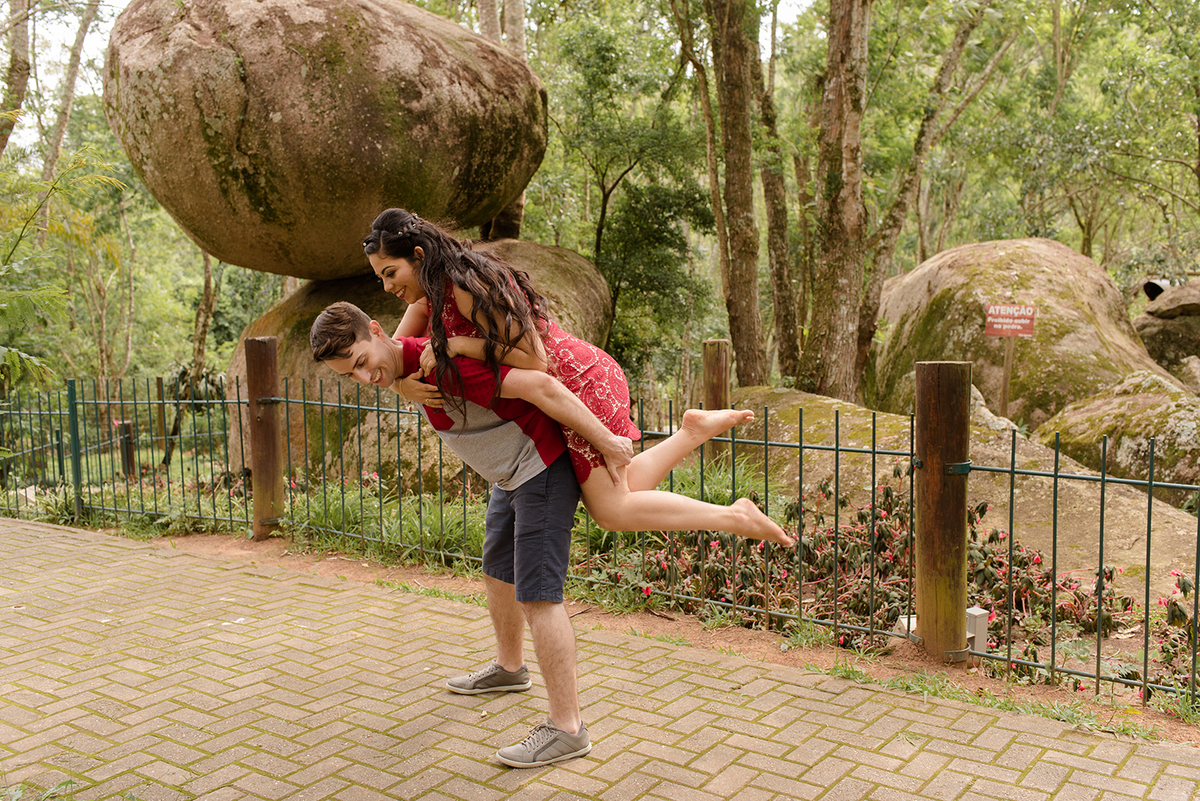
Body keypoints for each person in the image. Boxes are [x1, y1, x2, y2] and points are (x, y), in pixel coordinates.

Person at [363, 207, 791, 545]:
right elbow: (396, 358)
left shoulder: (465, 285)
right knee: (617, 488)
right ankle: (692, 432)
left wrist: (455, 346)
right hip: (559, 390)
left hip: (578, 380)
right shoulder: (428, 294)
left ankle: (735, 517)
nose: (387, 287)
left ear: (417, 256)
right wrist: (400, 381)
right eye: (380, 277)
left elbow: (535, 361)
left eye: (390, 273)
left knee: (611, 510)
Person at [312, 301, 603, 768]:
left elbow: (538, 383)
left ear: (376, 330)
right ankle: (510, 669)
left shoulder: (441, 361)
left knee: (539, 597)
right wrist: (401, 382)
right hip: (509, 476)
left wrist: (608, 443)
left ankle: (568, 728)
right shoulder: (405, 365)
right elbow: (410, 317)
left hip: (539, 469)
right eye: (351, 375)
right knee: (496, 571)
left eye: (363, 363)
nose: (366, 379)